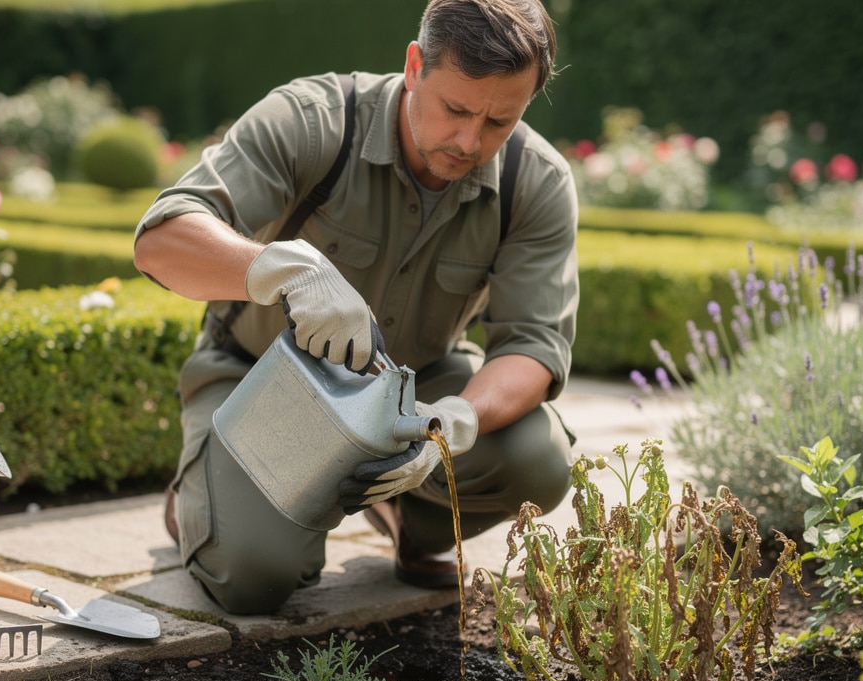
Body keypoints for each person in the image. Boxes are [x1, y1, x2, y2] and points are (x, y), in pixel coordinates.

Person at [133, 0, 578, 615]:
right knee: (254, 579)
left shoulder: (537, 180)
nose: (469, 141)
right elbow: (160, 239)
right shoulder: (312, 120)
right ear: (415, 66)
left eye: (499, 121)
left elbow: (533, 345)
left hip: (410, 392)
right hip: (262, 383)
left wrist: (455, 420)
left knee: (539, 458)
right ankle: (201, 495)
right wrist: (281, 268)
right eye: (455, 109)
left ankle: (406, 514)